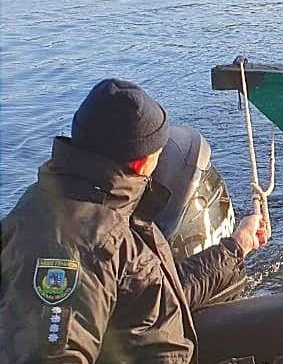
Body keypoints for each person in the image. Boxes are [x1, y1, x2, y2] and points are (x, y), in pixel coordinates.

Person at [0, 78, 267, 364]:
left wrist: (237, 247)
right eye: (159, 152)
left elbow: (154, 295)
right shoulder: (74, 243)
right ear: (142, 163)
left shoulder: (109, 210)